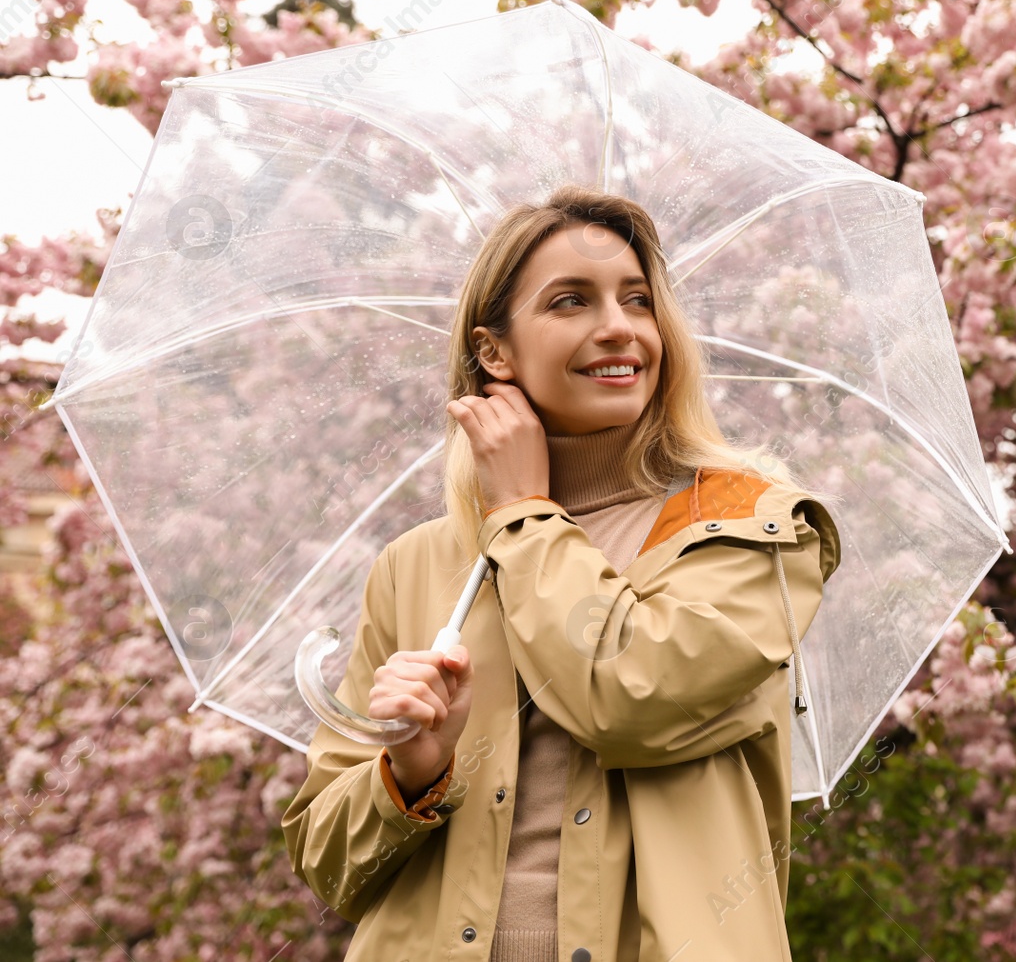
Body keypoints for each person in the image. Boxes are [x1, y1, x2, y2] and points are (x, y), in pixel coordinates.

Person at [281, 184, 842, 961]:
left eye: (638, 300)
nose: (618, 328)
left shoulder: (748, 525)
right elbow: (330, 866)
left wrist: (522, 510)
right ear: (494, 352)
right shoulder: (420, 565)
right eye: (571, 302)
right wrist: (409, 771)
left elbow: (629, 692)